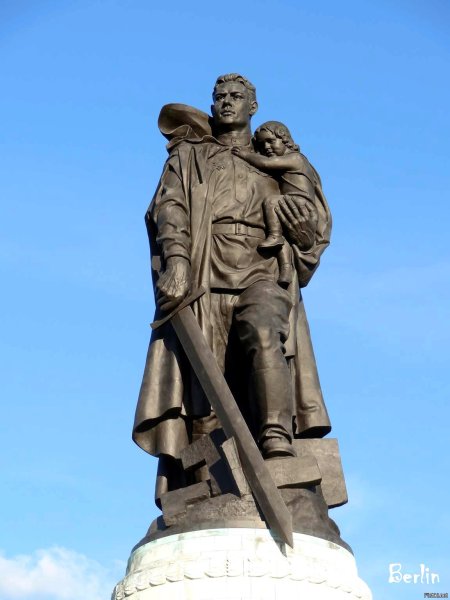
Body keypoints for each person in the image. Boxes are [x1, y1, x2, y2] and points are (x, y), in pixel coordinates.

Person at [133, 74, 332, 504]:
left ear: (252, 106)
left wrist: (303, 236)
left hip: (262, 269)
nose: (226, 103)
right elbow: (168, 208)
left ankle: (276, 438)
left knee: (263, 332)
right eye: (219, 96)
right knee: (204, 381)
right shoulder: (189, 157)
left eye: (236, 97)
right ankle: (206, 478)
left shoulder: (278, 159)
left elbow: (313, 225)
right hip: (205, 272)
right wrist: (179, 260)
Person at [232, 120, 310, 287]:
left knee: (271, 201)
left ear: (285, 140)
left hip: (300, 204)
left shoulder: (296, 158)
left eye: (271, 141)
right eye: (262, 144)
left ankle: (274, 234)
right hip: (291, 204)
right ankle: (286, 269)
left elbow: (266, 163)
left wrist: (245, 155)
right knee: (282, 241)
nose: (267, 147)